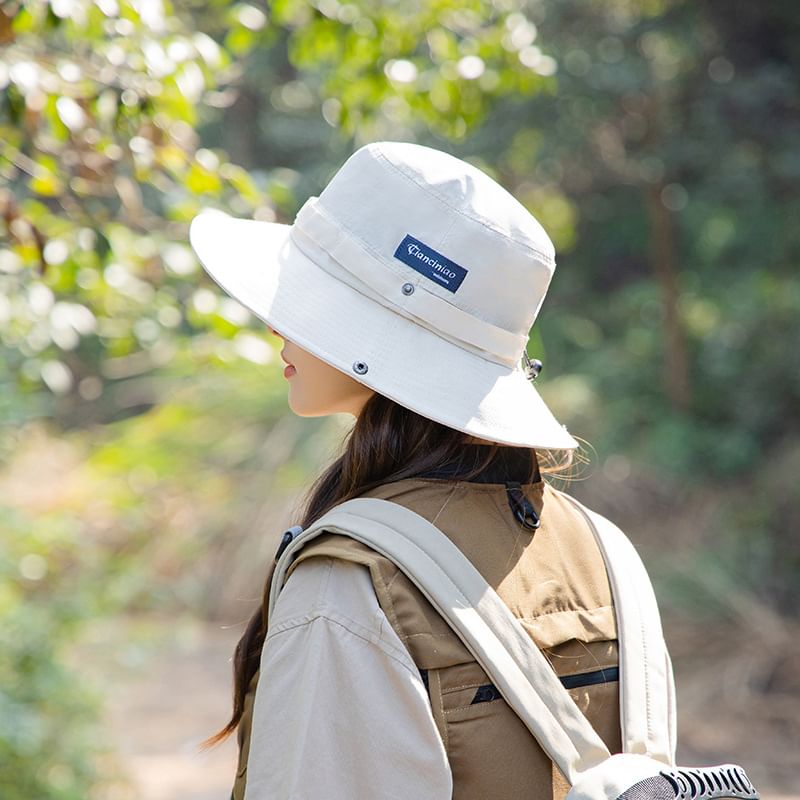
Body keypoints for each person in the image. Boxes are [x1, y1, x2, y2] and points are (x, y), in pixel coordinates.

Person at [189, 141, 623, 800]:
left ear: (372, 334)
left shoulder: (353, 583)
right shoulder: (601, 553)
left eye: (310, 297)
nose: (277, 322)